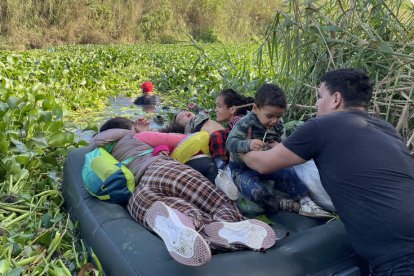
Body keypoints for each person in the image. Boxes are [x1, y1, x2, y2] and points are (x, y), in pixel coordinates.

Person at [240, 68, 414, 274]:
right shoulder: (387, 129)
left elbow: (263, 164)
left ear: (336, 99)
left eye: (320, 96)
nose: (316, 103)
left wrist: (236, 147)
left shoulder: (322, 126)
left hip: (399, 255)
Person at [90, 117, 277, 266]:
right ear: (129, 128)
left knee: (174, 209)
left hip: (137, 194)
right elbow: (184, 140)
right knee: (214, 201)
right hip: (163, 169)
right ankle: (229, 223)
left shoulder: (99, 156)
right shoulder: (137, 137)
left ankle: (189, 223)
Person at [226, 83, 333, 218]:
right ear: (255, 108)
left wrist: (279, 146)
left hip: (267, 163)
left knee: (288, 172)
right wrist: (248, 144)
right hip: (242, 168)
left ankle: (306, 201)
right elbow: (230, 143)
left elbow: (281, 145)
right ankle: (280, 203)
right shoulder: (245, 123)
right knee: (255, 191)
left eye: (278, 116)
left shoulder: (278, 125)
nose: (274, 121)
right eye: (269, 116)